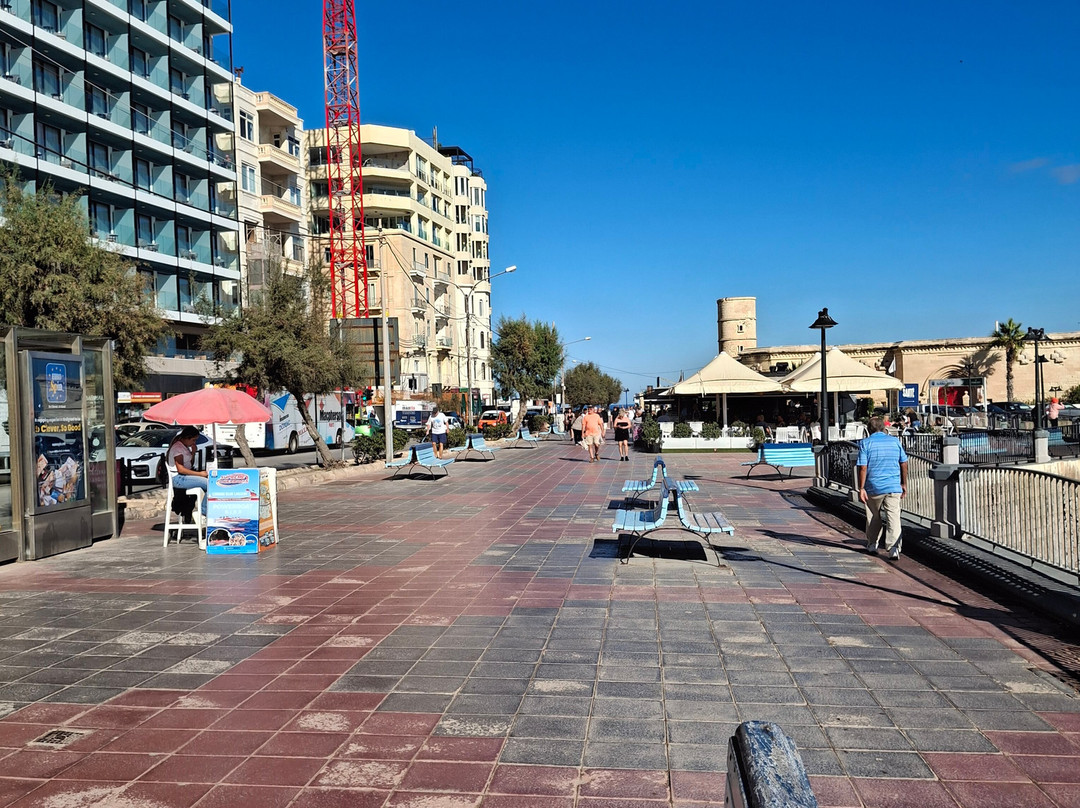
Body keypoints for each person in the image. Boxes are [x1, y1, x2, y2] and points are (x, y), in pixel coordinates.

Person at [856, 416, 908, 560]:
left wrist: (861, 488)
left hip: (874, 486)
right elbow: (903, 463)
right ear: (884, 428)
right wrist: (903, 483)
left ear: (868, 430)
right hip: (893, 486)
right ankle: (894, 548)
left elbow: (863, 467)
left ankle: (873, 544)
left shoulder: (865, 443)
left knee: (873, 515)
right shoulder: (895, 441)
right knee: (894, 517)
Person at [168, 426, 208, 516]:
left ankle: (204, 510)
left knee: (209, 483)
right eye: (193, 440)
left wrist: (193, 453)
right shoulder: (177, 448)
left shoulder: (184, 447)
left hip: (183, 476)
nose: (194, 442)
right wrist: (200, 474)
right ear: (187, 438)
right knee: (209, 485)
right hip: (178, 478)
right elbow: (181, 469)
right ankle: (204, 512)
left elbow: (190, 464)